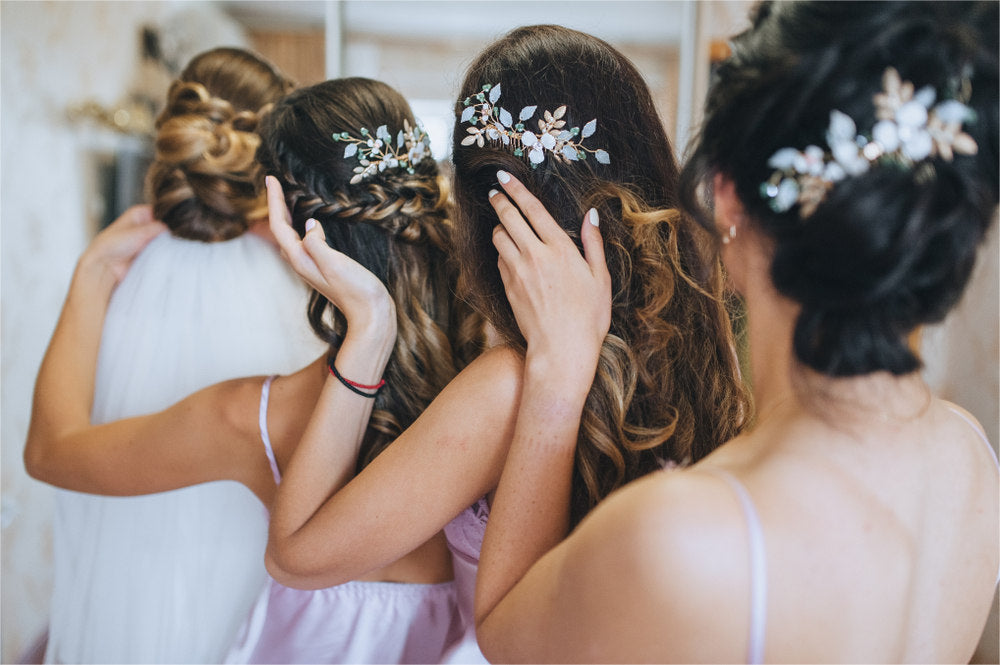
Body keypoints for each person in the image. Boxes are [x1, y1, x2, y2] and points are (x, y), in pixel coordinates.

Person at [473, 2, 1000, 662]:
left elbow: (499, 628)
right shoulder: (972, 453)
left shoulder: (685, 536)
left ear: (725, 196)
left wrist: (557, 372)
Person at [263, 24, 747, 662]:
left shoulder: (510, 388)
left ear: (482, 218)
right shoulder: (721, 339)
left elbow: (295, 556)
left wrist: (370, 329)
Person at [25, 76, 475, 663]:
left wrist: (91, 274)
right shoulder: (489, 374)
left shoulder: (249, 418)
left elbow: (51, 451)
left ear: (287, 223)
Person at [25, 47, 329, 664]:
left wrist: (92, 271)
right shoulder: (313, 299)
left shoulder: (123, 276)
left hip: (133, 602)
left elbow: (51, 449)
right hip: (266, 600)